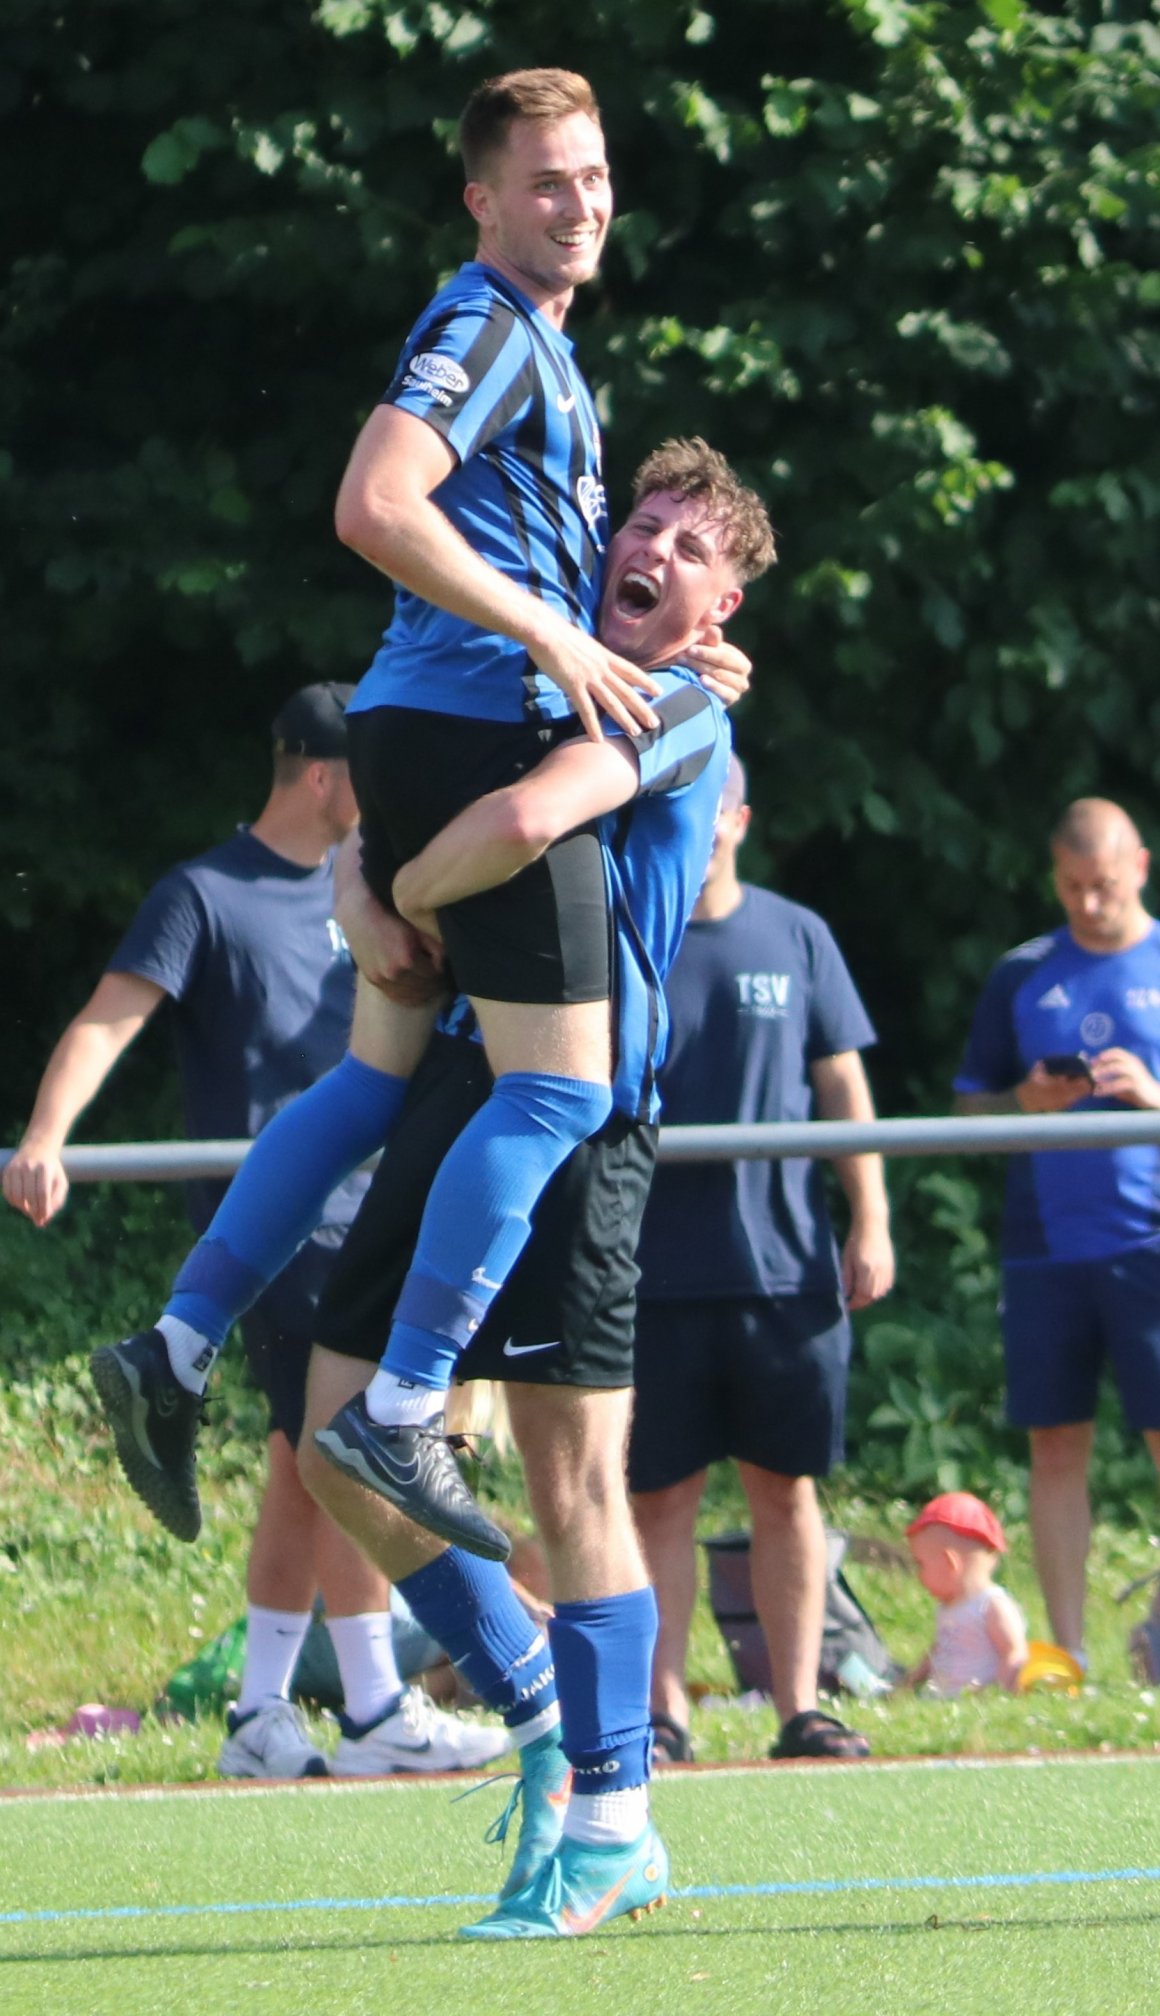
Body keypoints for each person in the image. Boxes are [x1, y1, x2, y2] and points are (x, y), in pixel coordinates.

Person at [89, 70, 747, 1565]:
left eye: (591, 177)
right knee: (562, 1094)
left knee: (376, 1081)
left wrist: (649, 647)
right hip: (465, 733)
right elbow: (374, 502)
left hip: (408, 727)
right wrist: (559, 642)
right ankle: (403, 1406)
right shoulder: (490, 326)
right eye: (543, 182)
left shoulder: (544, 349)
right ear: (482, 199)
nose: (576, 203)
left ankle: (179, 1347)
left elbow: (519, 559)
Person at [300, 441, 776, 1938]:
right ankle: (538, 1720)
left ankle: (618, 1822)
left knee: (575, 1485)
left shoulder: (680, 700)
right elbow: (393, 807)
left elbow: (517, 825)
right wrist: (358, 884)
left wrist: (406, 893)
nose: (650, 546)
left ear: (723, 608)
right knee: (334, 1453)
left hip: (577, 1118)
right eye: (640, 521)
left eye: (690, 546)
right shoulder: (535, 659)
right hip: (465, 1085)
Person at [3, 684, 507, 1780]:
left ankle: (261, 1716)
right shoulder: (205, 894)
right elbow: (108, 1014)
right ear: (325, 778)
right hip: (279, 1233)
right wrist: (46, 1131)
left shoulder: (376, 884)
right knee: (356, 1449)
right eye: (364, 779)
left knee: (297, 1462)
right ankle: (374, 1708)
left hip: (370, 1213)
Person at [627, 756, 896, 1763]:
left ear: (737, 817)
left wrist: (868, 1219)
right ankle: (662, 1715)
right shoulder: (629, 936)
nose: (695, 833)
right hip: (652, 1272)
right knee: (658, 1498)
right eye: (674, 814)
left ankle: (798, 1708)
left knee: (785, 1489)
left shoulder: (796, 933)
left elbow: (842, 1088)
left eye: (709, 813)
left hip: (785, 1269)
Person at [953, 796, 1160, 1681]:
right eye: (1072, 887)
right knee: (1055, 1442)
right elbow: (970, 1106)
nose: (1087, 905)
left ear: (1140, 868)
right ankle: (1068, 1653)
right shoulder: (1023, 972)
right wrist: (1025, 1105)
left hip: (1150, 1241)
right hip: (1043, 1246)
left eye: (1104, 886)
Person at [903, 1493, 1028, 1696]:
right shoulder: (948, 1607)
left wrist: (999, 1692)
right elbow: (937, 1651)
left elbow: (1014, 1652)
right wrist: (911, 1681)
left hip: (973, 1694)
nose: (918, 1575)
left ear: (949, 1563)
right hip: (940, 1695)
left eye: (921, 1564)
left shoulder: (991, 1605)